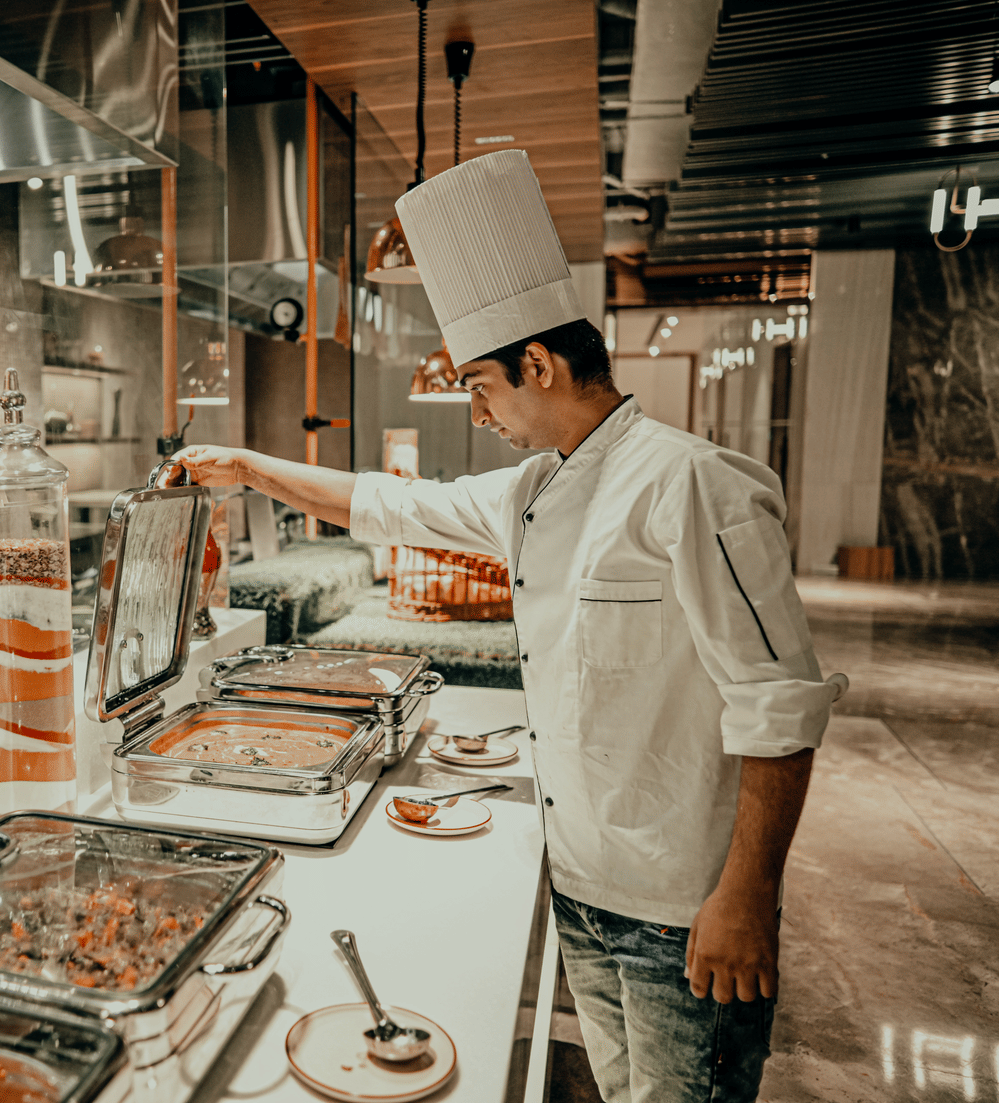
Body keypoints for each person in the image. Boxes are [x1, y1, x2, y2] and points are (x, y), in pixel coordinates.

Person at [174, 150, 839, 1103]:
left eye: (481, 387)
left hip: (679, 910)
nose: (476, 413)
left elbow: (779, 709)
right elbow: (389, 504)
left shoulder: (691, 483)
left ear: (540, 362)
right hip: (579, 886)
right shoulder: (536, 487)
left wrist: (747, 895)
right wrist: (247, 464)